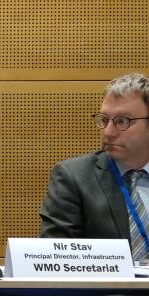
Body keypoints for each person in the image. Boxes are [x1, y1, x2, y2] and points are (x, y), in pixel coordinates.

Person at [40, 73, 149, 263]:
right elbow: (57, 257)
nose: (108, 132)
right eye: (104, 120)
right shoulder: (73, 177)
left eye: (122, 121)